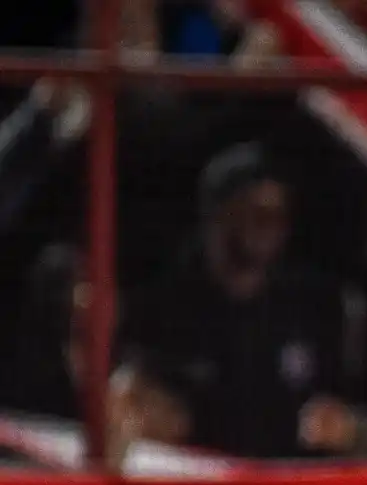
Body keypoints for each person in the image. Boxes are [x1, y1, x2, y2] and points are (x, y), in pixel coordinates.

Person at [114, 142, 348, 458]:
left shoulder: (309, 308)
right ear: (218, 214)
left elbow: (337, 413)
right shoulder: (162, 310)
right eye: (255, 211)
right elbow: (137, 402)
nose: (270, 225)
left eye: (279, 213)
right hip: (196, 480)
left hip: (286, 480)